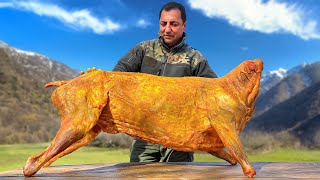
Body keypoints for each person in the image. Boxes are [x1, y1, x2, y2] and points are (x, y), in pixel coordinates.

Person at [113, 1, 218, 162]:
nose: (167, 29)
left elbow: (214, 90)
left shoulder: (195, 58)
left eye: (174, 24)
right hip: (144, 135)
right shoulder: (143, 49)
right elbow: (118, 73)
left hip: (180, 140)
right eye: (164, 23)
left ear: (184, 25)